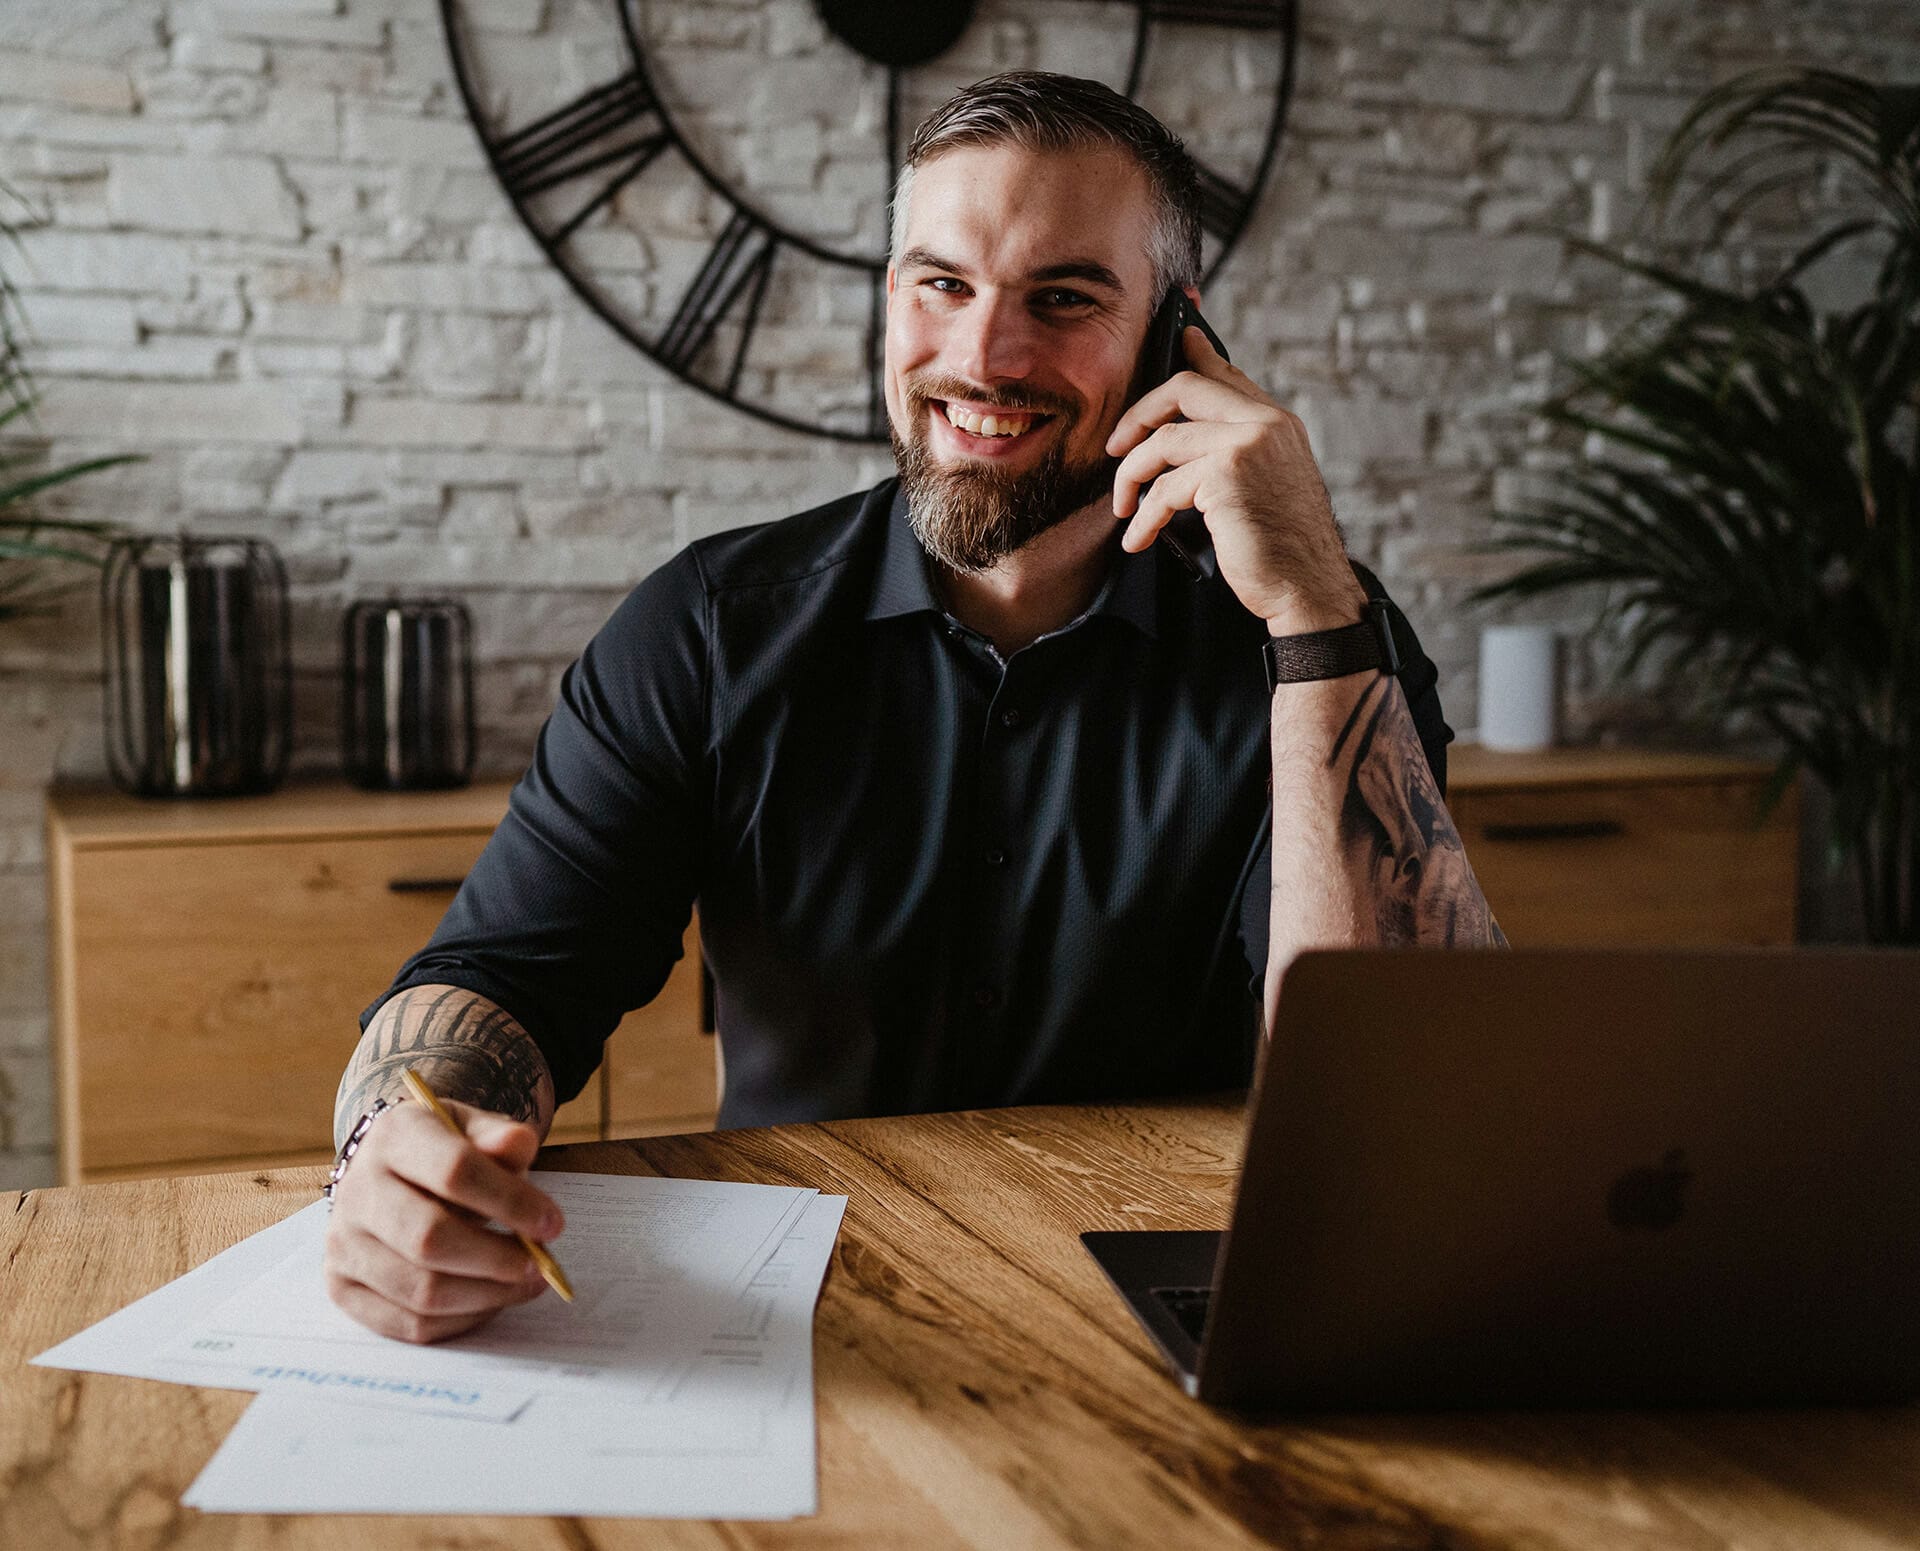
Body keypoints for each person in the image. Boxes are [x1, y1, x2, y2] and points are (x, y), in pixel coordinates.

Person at [321, 72, 1504, 1343]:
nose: (982, 358)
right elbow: (504, 977)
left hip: (1183, 1315)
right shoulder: (711, 628)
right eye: (942, 284)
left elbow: (1411, 1110)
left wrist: (1316, 623)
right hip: (800, 1317)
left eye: (1063, 299)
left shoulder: (1317, 631)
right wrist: (399, 1155)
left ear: (1177, 340)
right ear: (892, 301)